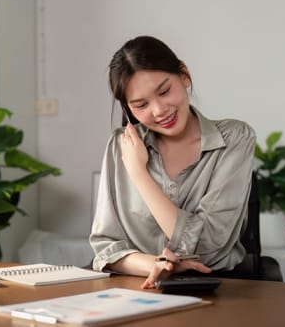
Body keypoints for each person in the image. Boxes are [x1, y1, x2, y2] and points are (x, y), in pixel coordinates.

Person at [89, 35, 256, 289]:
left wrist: (139, 175)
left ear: (184, 75)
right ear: (128, 110)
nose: (158, 111)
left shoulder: (234, 138)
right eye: (141, 104)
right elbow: (106, 247)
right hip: (137, 290)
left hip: (217, 290)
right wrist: (159, 265)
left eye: (164, 91)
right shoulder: (120, 146)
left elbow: (206, 247)